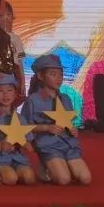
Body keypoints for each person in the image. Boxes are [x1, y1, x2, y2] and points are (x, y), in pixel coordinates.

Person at [23, 54, 91, 186]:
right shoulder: (33, 100)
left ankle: (62, 165)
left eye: (61, 74)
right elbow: (24, 126)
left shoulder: (65, 99)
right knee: (64, 179)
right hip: (48, 145)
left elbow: (69, 122)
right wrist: (46, 128)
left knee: (85, 178)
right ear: (40, 76)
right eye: (53, 74)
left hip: (68, 143)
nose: (58, 78)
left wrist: (73, 129)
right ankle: (45, 165)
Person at [0, 73, 36, 186]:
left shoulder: (20, 118)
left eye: (9, 90)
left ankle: (13, 172)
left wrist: (26, 144)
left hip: (17, 157)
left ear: (15, 94)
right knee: (10, 179)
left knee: (29, 178)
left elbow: (27, 140)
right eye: (0, 91)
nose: (5, 94)